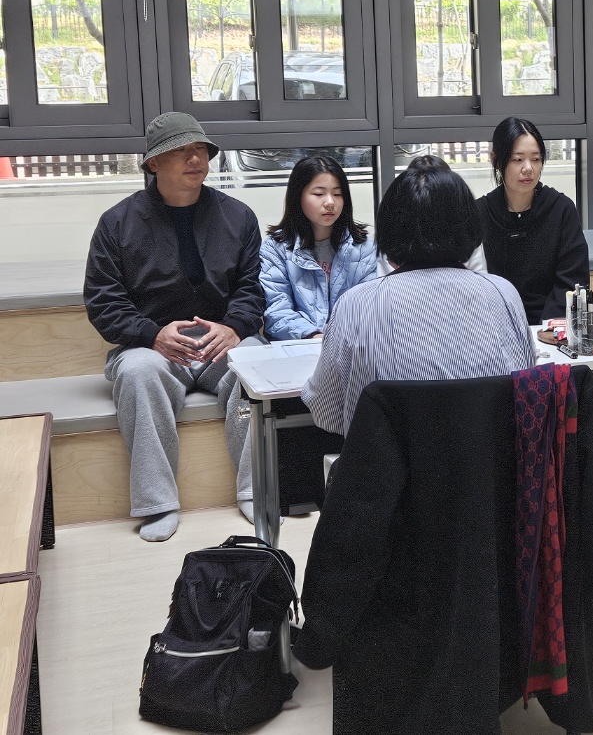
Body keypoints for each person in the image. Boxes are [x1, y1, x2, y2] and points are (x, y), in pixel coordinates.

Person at [84, 113, 263, 542]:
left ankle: (257, 489)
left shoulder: (238, 216)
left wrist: (234, 327)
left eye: (200, 149)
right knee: (137, 373)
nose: (195, 159)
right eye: (181, 151)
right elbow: (103, 302)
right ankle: (157, 502)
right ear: (153, 163)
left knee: (256, 363)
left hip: (221, 342)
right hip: (152, 345)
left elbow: (252, 288)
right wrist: (151, 335)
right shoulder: (117, 222)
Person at [303, 155, 536, 436]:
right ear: (469, 226)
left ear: (389, 229)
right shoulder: (503, 294)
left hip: (386, 464)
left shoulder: (355, 304)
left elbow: (327, 414)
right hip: (487, 461)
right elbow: (524, 394)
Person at [477, 116, 589, 323]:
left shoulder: (561, 209)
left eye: (536, 159)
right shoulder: (479, 213)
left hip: (551, 328)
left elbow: (572, 281)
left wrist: (545, 329)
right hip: (495, 326)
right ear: (496, 160)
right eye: (517, 159)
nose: (528, 168)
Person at [259, 155, 378, 341]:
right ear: (298, 196)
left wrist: (340, 341)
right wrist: (314, 336)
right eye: (318, 194)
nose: (330, 202)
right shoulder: (276, 248)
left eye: (337, 194)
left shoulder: (363, 247)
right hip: (297, 346)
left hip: (350, 345)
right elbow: (276, 310)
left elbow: (370, 307)